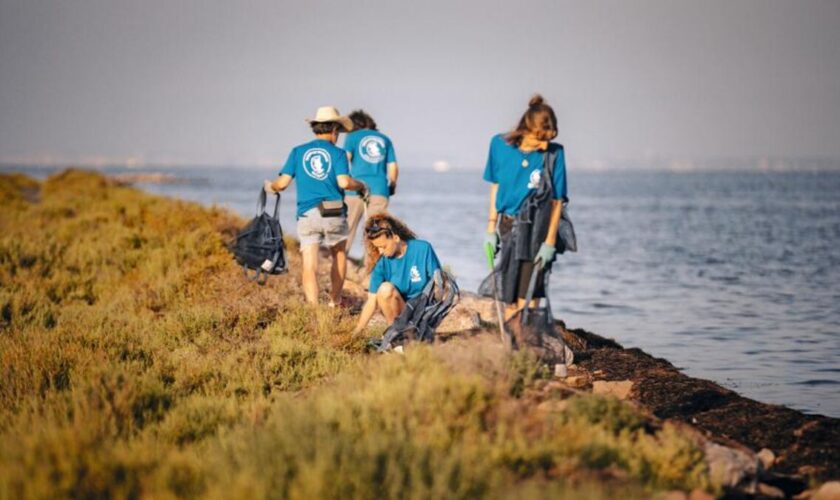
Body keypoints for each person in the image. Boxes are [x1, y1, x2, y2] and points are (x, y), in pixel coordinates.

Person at [264, 106, 369, 306]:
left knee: (309, 264)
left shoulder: (297, 152)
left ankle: (313, 310)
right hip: (333, 213)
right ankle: (334, 301)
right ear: (335, 130)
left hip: (307, 214)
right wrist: (362, 185)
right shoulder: (338, 154)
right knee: (339, 255)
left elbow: (282, 184)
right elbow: (345, 183)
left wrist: (270, 187)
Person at [483, 94, 568, 320]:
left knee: (528, 295)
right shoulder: (499, 145)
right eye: (540, 139)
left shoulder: (554, 154)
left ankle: (523, 341)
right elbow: (495, 186)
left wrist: (550, 242)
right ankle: (511, 345)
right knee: (508, 293)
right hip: (509, 226)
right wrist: (491, 228)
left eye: (549, 138)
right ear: (526, 129)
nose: (544, 145)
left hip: (537, 230)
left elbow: (557, 201)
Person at [351, 213, 442, 336]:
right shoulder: (382, 262)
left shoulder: (423, 248)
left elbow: (439, 284)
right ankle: (396, 336)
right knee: (384, 289)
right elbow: (371, 302)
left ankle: (415, 334)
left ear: (396, 238)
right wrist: (357, 331)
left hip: (423, 312)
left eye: (383, 246)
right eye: (377, 248)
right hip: (401, 312)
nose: (381, 252)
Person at [342, 110, 399, 260]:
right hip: (379, 189)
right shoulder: (385, 139)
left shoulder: (352, 137)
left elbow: (343, 160)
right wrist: (392, 185)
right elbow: (393, 167)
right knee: (377, 232)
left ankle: (339, 265)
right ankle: (371, 271)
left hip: (354, 189)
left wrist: (343, 182)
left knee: (347, 229)